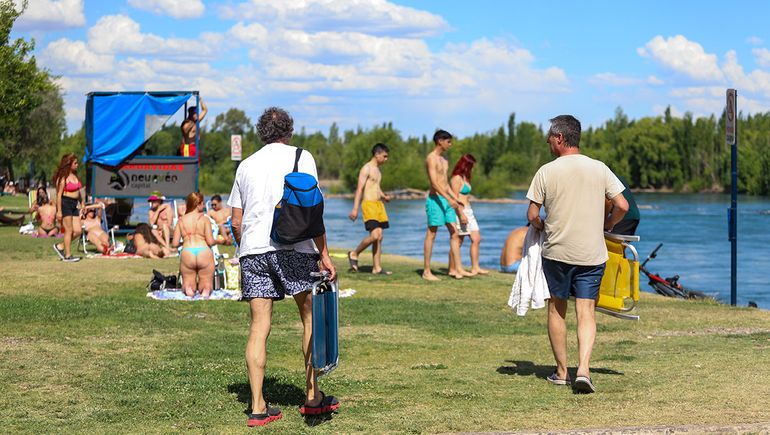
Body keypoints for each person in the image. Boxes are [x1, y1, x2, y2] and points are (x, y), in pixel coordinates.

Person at [228, 106, 338, 427]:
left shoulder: (246, 166)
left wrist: (246, 248)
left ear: (261, 133)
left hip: (253, 252)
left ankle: (258, 407)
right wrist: (325, 254)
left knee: (259, 327)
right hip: (296, 250)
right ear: (289, 131)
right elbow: (312, 211)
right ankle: (313, 397)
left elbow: (236, 220)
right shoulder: (302, 157)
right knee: (309, 319)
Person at [526, 115, 628, 394]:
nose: (547, 140)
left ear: (560, 138)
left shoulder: (546, 171)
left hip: (557, 251)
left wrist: (540, 225)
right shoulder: (599, 168)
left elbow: (533, 214)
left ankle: (562, 372)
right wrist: (607, 224)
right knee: (586, 310)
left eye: (549, 135)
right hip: (592, 253)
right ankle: (583, 370)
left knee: (558, 308)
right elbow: (622, 204)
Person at [422, 129, 468, 281]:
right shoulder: (431, 158)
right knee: (432, 233)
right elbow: (434, 183)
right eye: (448, 141)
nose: (450, 144)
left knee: (454, 232)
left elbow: (445, 183)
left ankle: (456, 268)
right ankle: (426, 271)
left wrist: (454, 198)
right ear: (440, 141)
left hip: (446, 199)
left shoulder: (445, 160)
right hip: (435, 199)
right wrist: (447, 198)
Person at [347, 143, 392, 275]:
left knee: (379, 237)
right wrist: (355, 208)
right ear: (377, 154)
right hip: (369, 204)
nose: (386, 159)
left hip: (379, 205)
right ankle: (354, 253)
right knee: (374, 235)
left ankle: (376, 268)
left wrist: (384, 196)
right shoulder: (366, 168)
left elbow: (376, 187)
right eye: (384, 156)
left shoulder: (378, 170)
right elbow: (360, 189)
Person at [173, 192, 219, 297]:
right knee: (206, 283)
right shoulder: (205, 219)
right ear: (198, 204)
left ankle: (189, 291)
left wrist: (184, 242)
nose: (203, 206)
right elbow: (210, 241)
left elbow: (175, 243)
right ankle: (205, 292)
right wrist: (220, 241)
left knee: (188, 283)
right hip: (203, 251)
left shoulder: (181, 220)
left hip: (187, 251)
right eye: (202, 203)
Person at [449, 154, 488, 276]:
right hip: (461, 211)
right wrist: (461, 214)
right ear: (466, 165)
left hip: (469, 210)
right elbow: (454, 199)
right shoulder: (456, 178)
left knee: (476, 239)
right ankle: (452, 269)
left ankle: (475, 267)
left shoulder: (466, 177)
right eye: (472, 166)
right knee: (458, 241)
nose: (473, 168)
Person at [52, 154, 84, 262]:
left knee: (78, 231)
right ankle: (67, 256)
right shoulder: (62, 178)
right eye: (75, 163)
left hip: (74, 204)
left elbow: (78, 193)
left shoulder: (75, 176)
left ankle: (60, 246)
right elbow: (59, 196)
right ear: (69, 164)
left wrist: (82, 202)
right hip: (65, 203)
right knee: (69, 230)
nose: (77, 165)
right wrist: (59, 211)